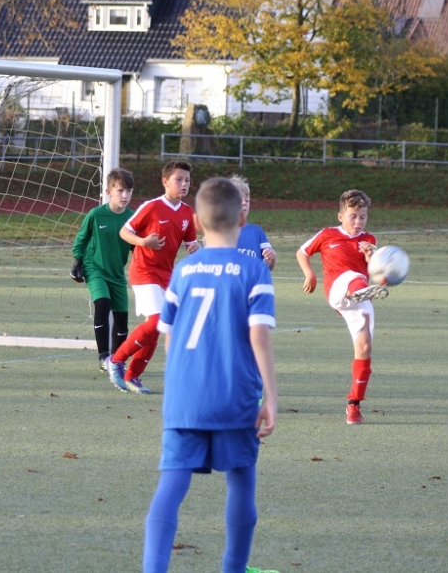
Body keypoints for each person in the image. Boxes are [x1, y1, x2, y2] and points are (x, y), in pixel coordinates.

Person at [142, 177, 277, 573]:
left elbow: (169, 338)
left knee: (171, 487)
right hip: (235, 395)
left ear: (198, 222)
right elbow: (259, 336)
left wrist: (183, 384)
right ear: (242, 218)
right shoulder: (254, 270)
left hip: (185, 397)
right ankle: (233, 568)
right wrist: (271, 397)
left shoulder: (183, 271)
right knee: (241, 484)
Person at [296, 189, 388, 425]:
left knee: (365, 346)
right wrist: (310, 274)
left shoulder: (369, 240)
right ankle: (356, 291)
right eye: (353, 216)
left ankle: (354, 404)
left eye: (363, 217)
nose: (358, 222)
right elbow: (302, 252)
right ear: (340, 216)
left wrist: (371, 257)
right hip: (337, 288)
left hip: (360, 295)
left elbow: (378, 275)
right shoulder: (327, 234)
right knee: (352, 278)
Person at [107, 161, 200, 394]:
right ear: (165, 181)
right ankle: (116, 360)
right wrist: (143, 242)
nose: (184, 184)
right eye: (178, 179)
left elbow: (191, 243)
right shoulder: (152, 207)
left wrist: (196, 248)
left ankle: (133, 376)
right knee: (157, 321)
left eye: (187, 180)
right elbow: (125, 231)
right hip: (144, 271)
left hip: (166, 276)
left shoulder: (187, 213)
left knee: (159, 326)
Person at [70, 168, 136, 372]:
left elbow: (137, 247)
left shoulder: (133, 218)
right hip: (94, 267)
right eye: (120, 191)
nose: (124, 195)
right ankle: (103, 357)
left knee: (122, 321)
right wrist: (77, 261)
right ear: (108, 192)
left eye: (128, 191)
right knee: (103, 303)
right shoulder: (96, 214)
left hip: (117, 273)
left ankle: (117, 361)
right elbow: (81, 238)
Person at [230, 175, 276, 271]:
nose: (244, 203)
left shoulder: (257, 231)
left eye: (247, 201)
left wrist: (271, 257)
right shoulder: (219, 232)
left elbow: (268, 266)